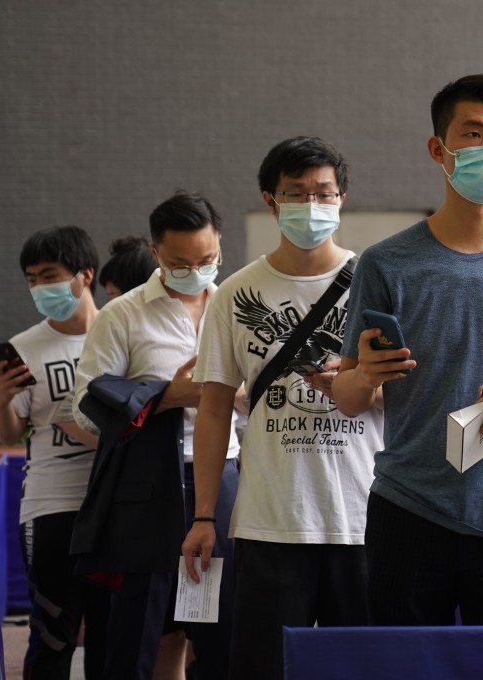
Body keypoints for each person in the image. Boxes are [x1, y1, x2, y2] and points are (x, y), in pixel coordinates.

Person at [333, 74, 483, 627]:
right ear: (438, 149)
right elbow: (348, 397)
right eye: (473, 132)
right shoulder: (384, 262)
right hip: (407, 513)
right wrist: (366, 375)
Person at [180, 136, 381, 680]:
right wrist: (203, 516)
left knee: (364, 667)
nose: (312, 207)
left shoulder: (377, 281)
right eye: (296, 195)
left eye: (324, 193)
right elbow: (215, 407)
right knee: (263, 667)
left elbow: (408, 389)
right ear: (270, 201)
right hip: (271, 522)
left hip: (363, 519)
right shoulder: (234, 294)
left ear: (342, 199)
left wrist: (359, 381)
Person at [71, 192, 239, 680]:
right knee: (141, 623)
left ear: (220, 247)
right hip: (148, 487)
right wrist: (170, 395)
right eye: (180, 262)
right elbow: (88, 409)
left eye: (206, 260)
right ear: (155, 252)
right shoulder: (122, 315)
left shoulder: (233, 305)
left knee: (213, 621)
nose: (195, 270)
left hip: (223, 477)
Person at [0, 225, 109, 679]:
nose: (39, 287)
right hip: (51, 503)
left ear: (84, 275)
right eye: (31, 279)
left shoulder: (121, 333)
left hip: (113, 504)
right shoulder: (24, 347)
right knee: (53, 632)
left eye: (48, 275)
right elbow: (7, 435)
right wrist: (2, 399)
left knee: (109, 628)